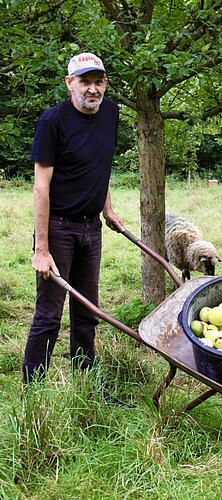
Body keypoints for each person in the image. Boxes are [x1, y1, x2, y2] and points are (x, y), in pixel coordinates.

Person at [23, 52, 124, 383]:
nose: (93, 90)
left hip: (91, 229)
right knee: (50, 315)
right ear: (70, 84)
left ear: (105, 84)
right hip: (58, 229)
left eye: (99, 82)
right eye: (85, 82)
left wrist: (107, 208)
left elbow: (101, 164)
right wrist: (41, 248)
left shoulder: (110, 113)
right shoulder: (52, 122)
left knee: (88, 313)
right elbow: (41, 188)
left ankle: (85, 385)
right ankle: (33, 390)